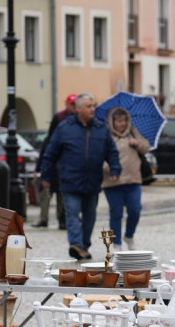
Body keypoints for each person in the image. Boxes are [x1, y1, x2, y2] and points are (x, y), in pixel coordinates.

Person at [41, 93, 119, 260]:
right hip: (70, 181)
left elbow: (111, 151)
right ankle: (75, 244)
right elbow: (50, 153)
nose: (93, 109)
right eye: (89, 106)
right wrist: (46, 176)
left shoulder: (101, 128)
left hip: (93, 181)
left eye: (94, 106)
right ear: (78, 109)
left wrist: (115, 169)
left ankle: (84, 245)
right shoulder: (64, 128)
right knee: (72, 213)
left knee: (90, 216)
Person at [102, 107, 149, 250]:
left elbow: (146, 147)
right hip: (112, 182)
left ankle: (129, 236)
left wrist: (138, 143)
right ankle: (116, 244)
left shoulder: (133, 133)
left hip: (133, 180)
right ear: (112, 122)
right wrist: (107, 168)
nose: (122, 124)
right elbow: (99, 155)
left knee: (135, 210)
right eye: (119, 121)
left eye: (124, 121)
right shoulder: (106, 136)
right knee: (116, 213)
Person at [34, 93, 77, 229]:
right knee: (46, 192)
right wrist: (39, 168)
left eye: (75, 104)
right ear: (67, 104)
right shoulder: (59, 118)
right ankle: (43, 218)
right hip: (54, 163)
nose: (73, 107)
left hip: (64, 163)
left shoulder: (77, 120)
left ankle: (62, 219)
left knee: (61, 193)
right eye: (72, 104)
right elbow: (49, 144)